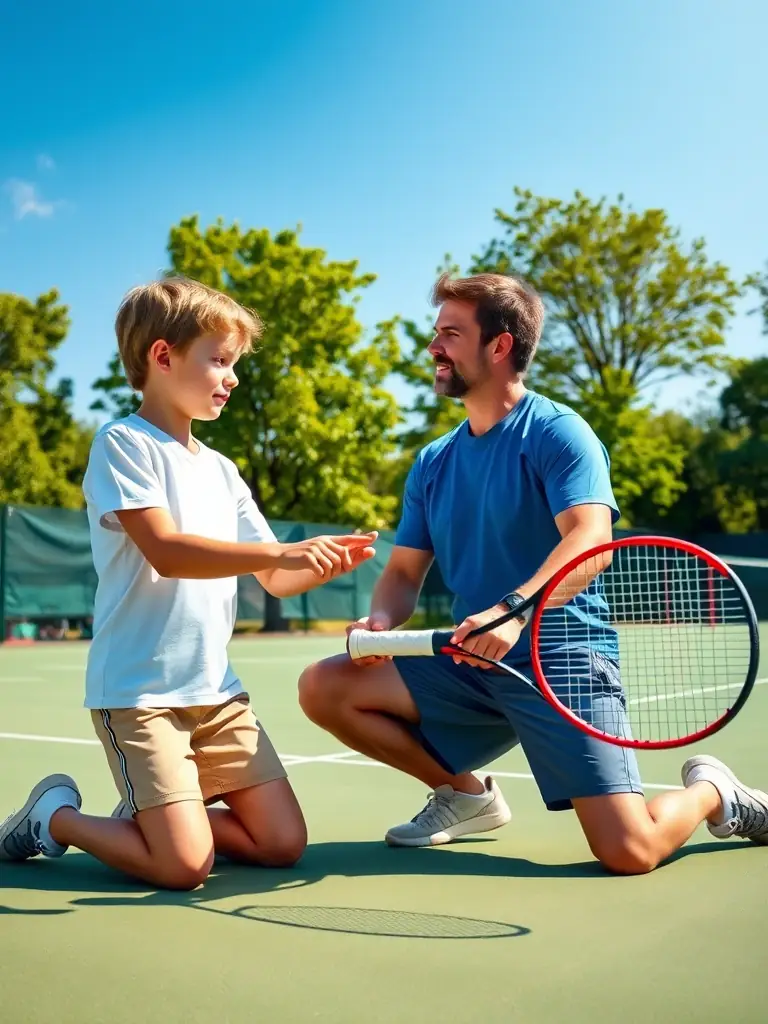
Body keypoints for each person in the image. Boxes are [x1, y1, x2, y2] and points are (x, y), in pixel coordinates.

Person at [298, 271, 768, 873]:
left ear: (499, 346)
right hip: (470, 662)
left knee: (630, 852)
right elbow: (404, 572)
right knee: (325, 685)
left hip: (563, 660)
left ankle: (713, 791)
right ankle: (467, 797)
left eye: (450, 333)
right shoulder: (433, 462)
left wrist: (514, 611)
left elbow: (592, 540)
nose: (434, 347)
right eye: (436, 332)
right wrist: (382, 623)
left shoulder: (559, 432)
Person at [0, 277, 377, 889]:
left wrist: (324, 560)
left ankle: (159, 816)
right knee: (183, 867)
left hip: (217, 696)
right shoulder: (123, 443)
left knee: (281, 843)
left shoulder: (224, 471)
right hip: (141, 694)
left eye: (233, 364)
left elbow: (274, 578)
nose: (231, 378)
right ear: (163, 355)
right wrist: (285, 548)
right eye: (219, 360)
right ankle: (57, 819)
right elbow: (168, 552)